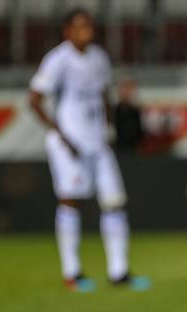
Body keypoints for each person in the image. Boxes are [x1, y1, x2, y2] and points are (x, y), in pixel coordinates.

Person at [29, 8, 149, 292]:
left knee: (115, 202)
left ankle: (119, 272)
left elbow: (104, 94)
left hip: (98, 142)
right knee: (72, 201)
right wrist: (60, 133)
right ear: (67, 31)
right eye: (81, 27)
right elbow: (34, 99)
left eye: (90, 26)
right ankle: (73, 273)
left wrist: (108, 129)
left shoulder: (99, 57)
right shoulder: (58, 60)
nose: (88, 32)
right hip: (70, 143)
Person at [114, 77, 145, 152]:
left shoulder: (136, 112)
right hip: (118, 151)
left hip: (134, 151)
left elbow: (140, 133)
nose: (126, 92)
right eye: (124, 88)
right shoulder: (114, 111)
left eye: (129, 88)